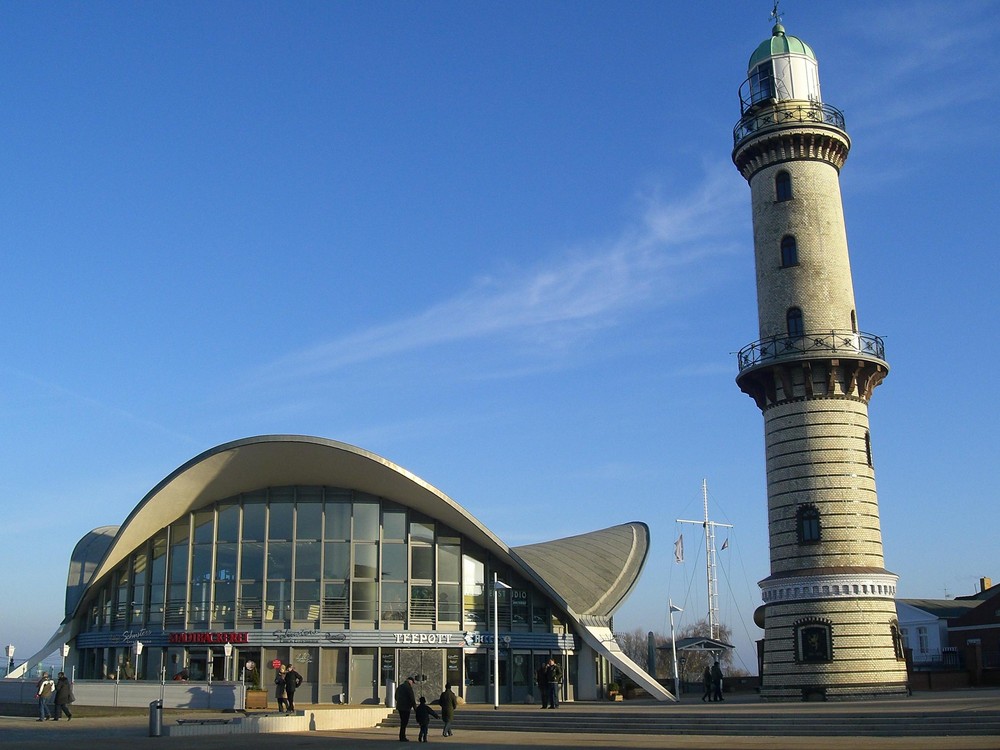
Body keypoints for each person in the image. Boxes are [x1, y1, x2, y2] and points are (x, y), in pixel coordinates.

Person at [394, 676, 416, 741]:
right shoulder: (408, 688)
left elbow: (396, 697)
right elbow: (412, 698)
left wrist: (400, 702)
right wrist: (415, 708)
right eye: (412, 683)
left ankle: (401, 736)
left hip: (400, 707)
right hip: (406, 707)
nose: (412, 684)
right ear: (410, 681)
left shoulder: (400, 687)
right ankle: (402, 737)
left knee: (402, 722)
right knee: (404, 723)